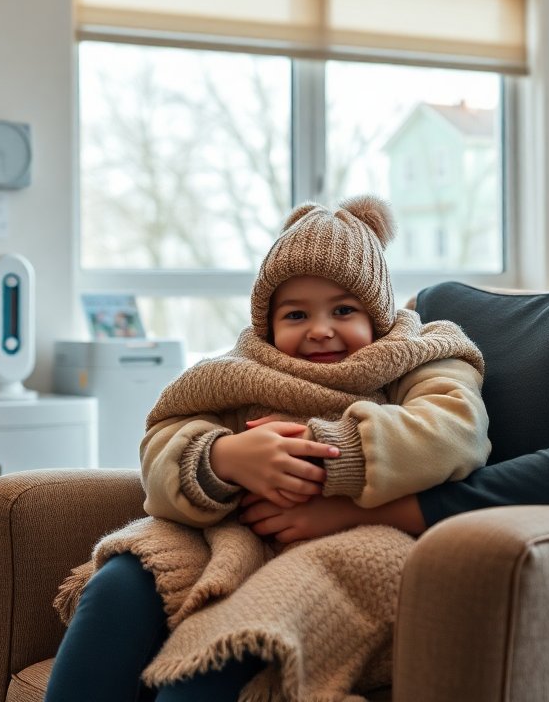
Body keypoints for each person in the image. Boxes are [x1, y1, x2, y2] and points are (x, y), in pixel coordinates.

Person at [45, 196, 491, 702]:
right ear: (268, 324)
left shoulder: (419, 354)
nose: (320, 329)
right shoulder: (237, 370)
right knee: (119, 584)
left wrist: (332, 452)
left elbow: (454, 430)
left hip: (351, 539)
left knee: (228, 640)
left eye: (344, 310)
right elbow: (162, 442)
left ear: (380, 315)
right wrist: (224, 458)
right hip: (231, 533)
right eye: (296, 314)